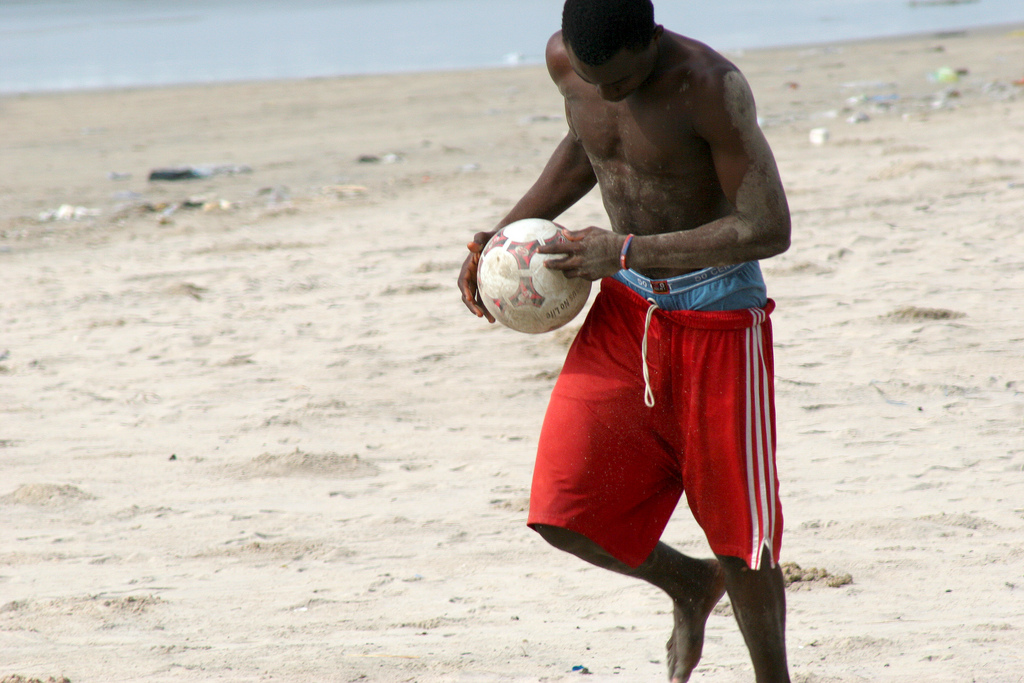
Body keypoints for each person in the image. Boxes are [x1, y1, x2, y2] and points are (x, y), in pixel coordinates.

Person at [458, 1, 792, 680]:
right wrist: (500, 234)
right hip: (625, 310)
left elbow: (769, 226)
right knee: (563, 509)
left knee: (742, 538)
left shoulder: (706, 86)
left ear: (651, 41)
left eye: (620, 82)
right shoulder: (568, 64)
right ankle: (689, 585)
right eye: (591, 80)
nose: (606, 94)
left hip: (719, 311)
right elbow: (589, 147)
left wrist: (628, 249)